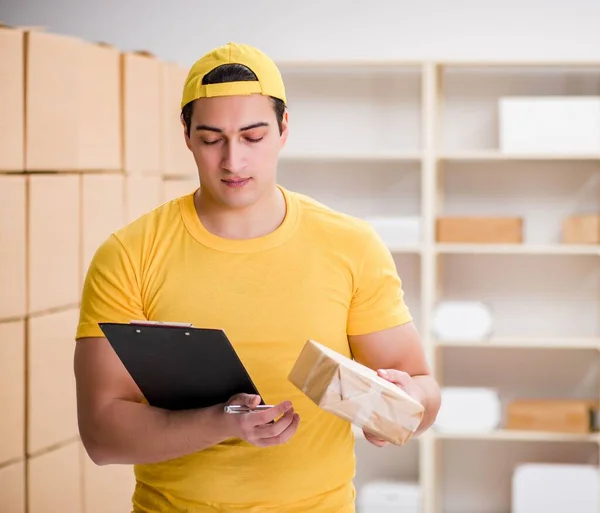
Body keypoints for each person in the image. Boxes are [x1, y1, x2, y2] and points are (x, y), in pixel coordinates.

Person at [74, 42, 441, 513]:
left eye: (253, 136)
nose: (233, 161)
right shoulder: (129, 255)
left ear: (284, 129)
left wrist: (404, 405)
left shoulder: (351, 244)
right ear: (186, 134)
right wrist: (223, 422)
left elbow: (422, 390)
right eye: (211, 139)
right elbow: (102, 435)